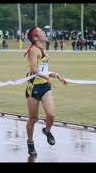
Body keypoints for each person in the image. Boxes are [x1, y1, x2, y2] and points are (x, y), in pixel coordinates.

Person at [23, 27, 68, 156]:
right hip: (33, 88)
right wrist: (47, 77)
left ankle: (47, 131)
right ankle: (30, 142)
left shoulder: (44, 50)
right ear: (35, 37)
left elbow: (44, 69)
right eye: (41, 32)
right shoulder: (33, 50)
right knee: (33, 118)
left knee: (51, 115)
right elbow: (35, 69)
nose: (44, 33)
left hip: (45, 86)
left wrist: (56, 75)